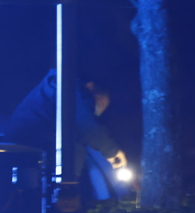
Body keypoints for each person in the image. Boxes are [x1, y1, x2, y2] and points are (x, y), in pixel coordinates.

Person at [3, 69, 130, 200]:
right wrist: (114, 153)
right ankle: (66, 190)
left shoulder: (57, 89)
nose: (101, 109)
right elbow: (89, 129)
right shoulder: (71, 90)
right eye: (102, 102)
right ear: (91, 87)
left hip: (25, 144)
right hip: (30, 144)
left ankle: (65, 190)